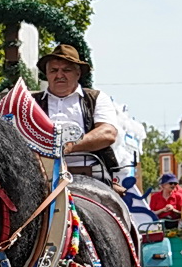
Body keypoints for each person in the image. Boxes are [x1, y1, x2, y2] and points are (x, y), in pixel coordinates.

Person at [32, 44, 123, 180]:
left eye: (66, 70)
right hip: (39, 172)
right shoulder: (31, 101)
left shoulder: (95, 98)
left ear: (78, 73)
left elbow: (108, 133)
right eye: (53, 70)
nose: (59, 75)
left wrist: (70, 145)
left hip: (91, 171)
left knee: (109, 200)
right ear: (47, 74)